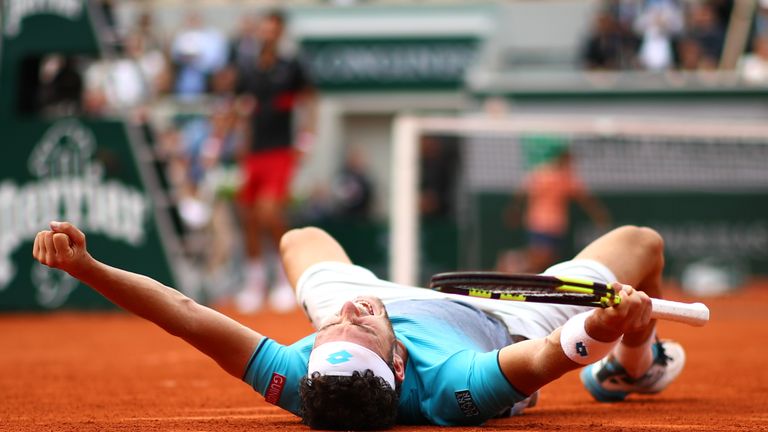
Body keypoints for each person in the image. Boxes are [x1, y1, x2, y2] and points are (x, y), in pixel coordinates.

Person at [33, 220, 686, 430]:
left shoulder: (304, 374)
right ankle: (635, 366)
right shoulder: (453, 388)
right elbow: (549, 358)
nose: (341, 322)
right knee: (641, 243)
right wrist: (605, 326)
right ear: (397, 367)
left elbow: (184, 314)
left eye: (326, 338)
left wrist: (87, 267)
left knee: (301, 237)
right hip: (502, 318)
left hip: (393, 307)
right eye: (355, 331)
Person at [232, 10, 317, 313]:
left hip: (281, 151)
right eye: (264, 29)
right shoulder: (248, 69)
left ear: (280, 33)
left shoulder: (291, 67)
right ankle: (254, 284)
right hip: (254, 153)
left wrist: (307, 138)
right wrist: (239, 143)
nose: (267, 34)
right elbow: (240, 108)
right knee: (250, 217)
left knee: (269, 211)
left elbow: (310, 101)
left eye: (273, 30)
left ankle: (285, 280)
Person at [501, 146, 610, 274]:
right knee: (540, 256)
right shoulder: (542, 173)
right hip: (539, 222)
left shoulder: (568, 178)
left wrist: (598, 215)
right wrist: (514, 210)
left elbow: (586, 199)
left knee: (547, 260)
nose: (573, 164)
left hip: (556, 225)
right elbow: (522, 191)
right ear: (563, 159)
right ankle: (511, 260)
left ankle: (526, 278)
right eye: (570, 160)